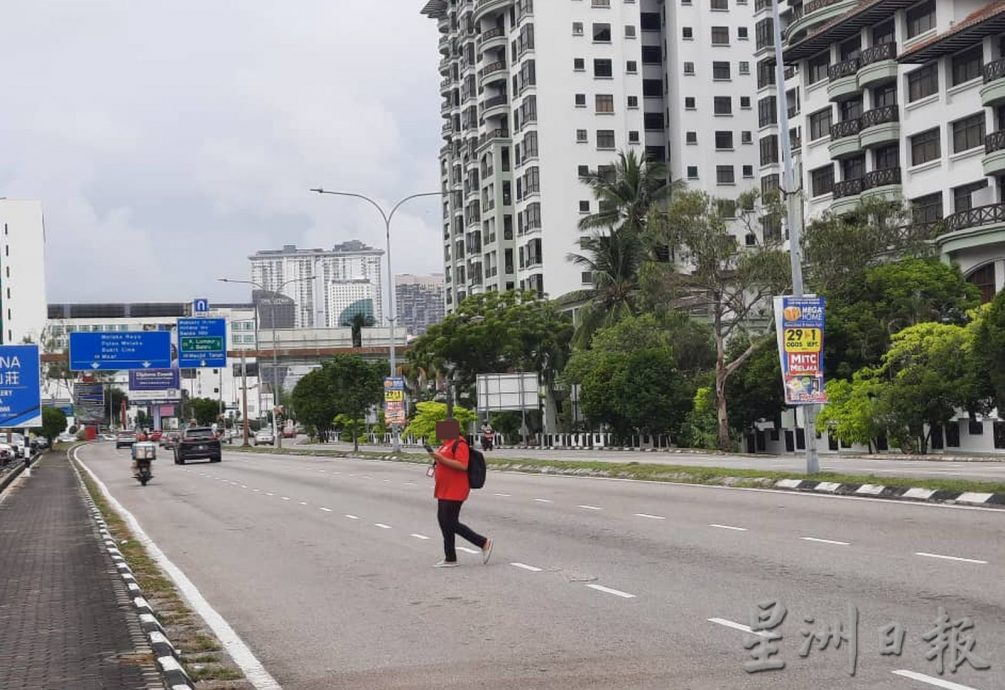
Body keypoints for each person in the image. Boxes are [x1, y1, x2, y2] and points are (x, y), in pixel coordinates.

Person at [427, 419, 492, 568]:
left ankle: (483, 542)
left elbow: (462, 465)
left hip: (455, 489)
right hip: (444, 488)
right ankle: (450, 557)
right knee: (443, 521)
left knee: (449, 522)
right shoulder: (446, 444)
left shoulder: (459, 443)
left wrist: (440, 458)